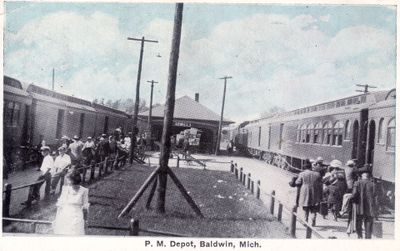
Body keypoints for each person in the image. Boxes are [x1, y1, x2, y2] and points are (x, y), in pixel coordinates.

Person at [53, 170, 90, 235]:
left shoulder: (84, 191)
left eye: (68, 180)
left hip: (77, 217)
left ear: (74, 180)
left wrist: (85, 220)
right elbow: (60, 205)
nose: (67, 182)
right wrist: (56, 219)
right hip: (65, 215)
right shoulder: (65, 189)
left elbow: (85, 208)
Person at [295, 159, 323, 226]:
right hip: (315, 192)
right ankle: (313, 219)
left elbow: (297, 182)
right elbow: (320, 185)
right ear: (311, 167)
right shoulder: (317, 174)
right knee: (314, 207)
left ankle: (305, 220)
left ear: (305, 168)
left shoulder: (302, 174)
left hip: (305, 192)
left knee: (305, 206)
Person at [351, 171, 377, 239]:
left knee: (358, 221)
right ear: (369, 177)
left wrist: (351, 200)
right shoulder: (373, 184)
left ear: (362, 177)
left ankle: (359, 236)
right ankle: (368, 237)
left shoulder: (357, 183)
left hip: (359, 206)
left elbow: (354, 194)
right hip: (369, 207)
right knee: (368, 221)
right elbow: (375, 196)